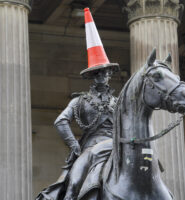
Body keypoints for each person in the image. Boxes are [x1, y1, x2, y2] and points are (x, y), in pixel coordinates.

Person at [35, 8, 119, 200]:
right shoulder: (80, 100)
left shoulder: (117, 101)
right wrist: (75, 145)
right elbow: (60, 121)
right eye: (99, 73)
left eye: (106, 72)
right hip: (90, 147)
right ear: (92, 75)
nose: (104, 76)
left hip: (116, 146)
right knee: (73, 183)